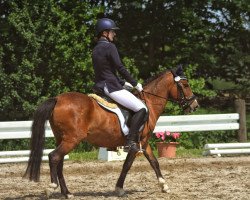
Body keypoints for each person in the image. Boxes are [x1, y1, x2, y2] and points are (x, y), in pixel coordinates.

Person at [92, 18, 147, 153]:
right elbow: (120, 67)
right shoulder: (110, 47)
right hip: (111, 87)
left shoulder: (96, 49)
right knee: (141, 108)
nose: (114, 34)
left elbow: (106, 71)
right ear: (105, 33)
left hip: (101, 86)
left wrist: (123, 83)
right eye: (112, 32)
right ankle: (130, 142)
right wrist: (135, 83)